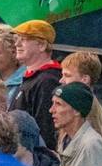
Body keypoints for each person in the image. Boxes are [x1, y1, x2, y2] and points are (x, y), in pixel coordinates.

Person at [60, 51, 102, 163]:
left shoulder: (87, 111)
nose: (61, 80)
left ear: (85, 79)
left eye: (67, 75)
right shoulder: (93, 108)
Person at [10, 19, 63, 150]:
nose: (17, 44)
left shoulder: (47, 81)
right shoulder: (35, 78)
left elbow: (46, 129)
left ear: (42, 45)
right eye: (17, 39)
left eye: (24, 39)